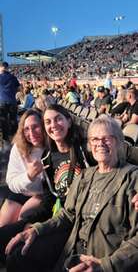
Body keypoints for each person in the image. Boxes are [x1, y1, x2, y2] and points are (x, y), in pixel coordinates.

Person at [5, 114, 138, 272]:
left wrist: (106, 265)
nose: (100, 143)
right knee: (18, 255)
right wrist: (37, 229)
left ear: (118, 142)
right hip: (71, 251)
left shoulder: (132, 178)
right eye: (94, 139)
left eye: (107, 138)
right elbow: (68, 214)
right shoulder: (84, 176)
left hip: (105, 258)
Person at [0, 104, 92, 266]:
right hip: (50, 209)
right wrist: (33, 222)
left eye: (58, 119)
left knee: (18, 255)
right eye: (49, 121)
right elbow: (51, 197)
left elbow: (120, 162)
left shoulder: (85, 150)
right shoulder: (49, 157)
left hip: (73, 220)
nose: (54, 125)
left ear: (69, 121)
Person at [0, 109, 47, 226]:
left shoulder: (52, 147)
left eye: (35, 126)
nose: (31, 133)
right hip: (20, 192)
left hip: (41, 195)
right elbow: (11, 182)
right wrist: (28, 176)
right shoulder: (18, 147)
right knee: (2, 227)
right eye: (26, 129)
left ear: (43, 126)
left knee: (21, 221)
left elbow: (47, 188)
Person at [0, 61, 20, 144]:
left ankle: (5, 138)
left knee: (3, 120)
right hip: (12, 101)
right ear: (7, 67)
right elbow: (19, 89)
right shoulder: (13, 77)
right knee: (13, 120)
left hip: (2, 101)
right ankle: (15, 137)